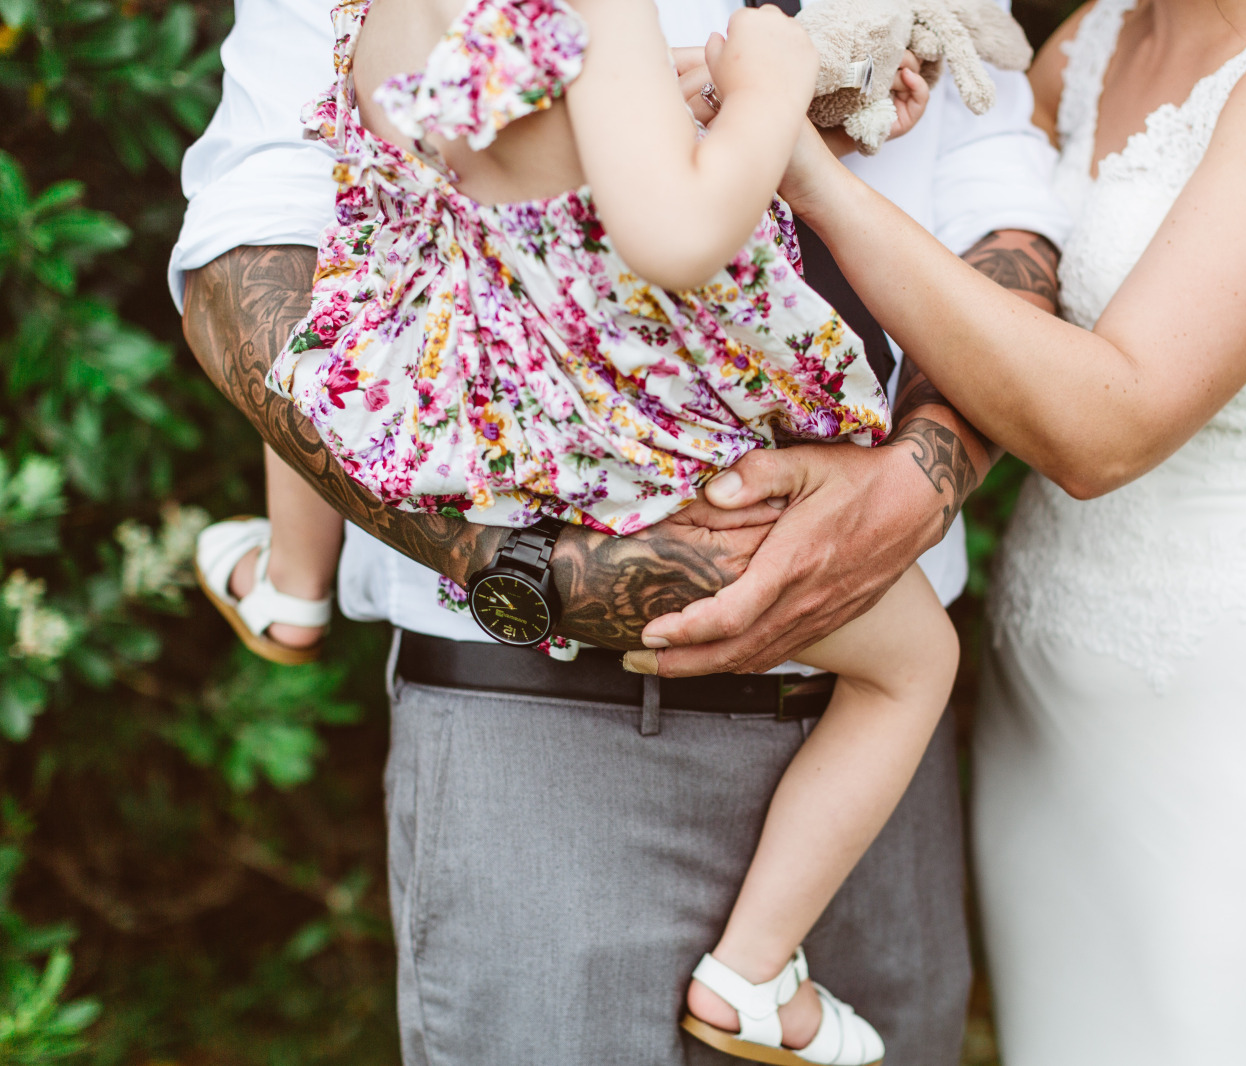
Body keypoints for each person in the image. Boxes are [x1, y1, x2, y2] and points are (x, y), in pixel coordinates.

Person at [172, 0, 1072, 1061]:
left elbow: (424, 190)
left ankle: (290, 580)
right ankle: (751, 973)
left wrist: (772, 114)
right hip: (622, 485)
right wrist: (771, 88)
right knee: (915, 664)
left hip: (460, 401)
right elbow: (674, 234)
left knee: (345, 345)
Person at [648, 0, 1246, 1062]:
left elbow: (1108, 427)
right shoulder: (1097, 37)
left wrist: (804, 168)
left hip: (1231, 738)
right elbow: (987, 263)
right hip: (1048, 723)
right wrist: (840, 109)